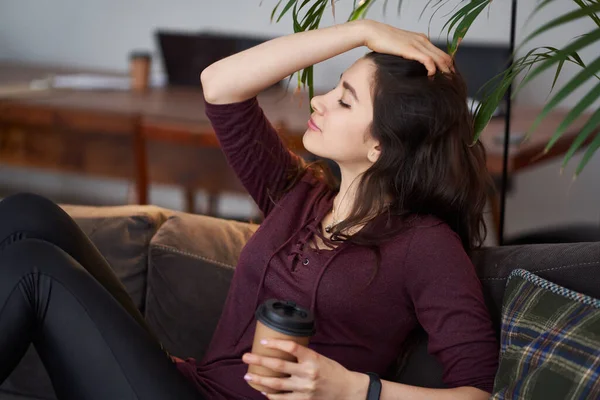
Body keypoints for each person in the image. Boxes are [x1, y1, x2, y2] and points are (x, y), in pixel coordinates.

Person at [0, 19, 498, 400]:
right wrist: (361, 31)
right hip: (189, 385)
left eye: (344, 101)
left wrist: (351, 389)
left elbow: (477, 393)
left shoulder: (425, 245)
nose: (318, 102)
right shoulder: (298, 193)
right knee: (30, 214)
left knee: (35, 271)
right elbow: (220, 84)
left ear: (382, 149)